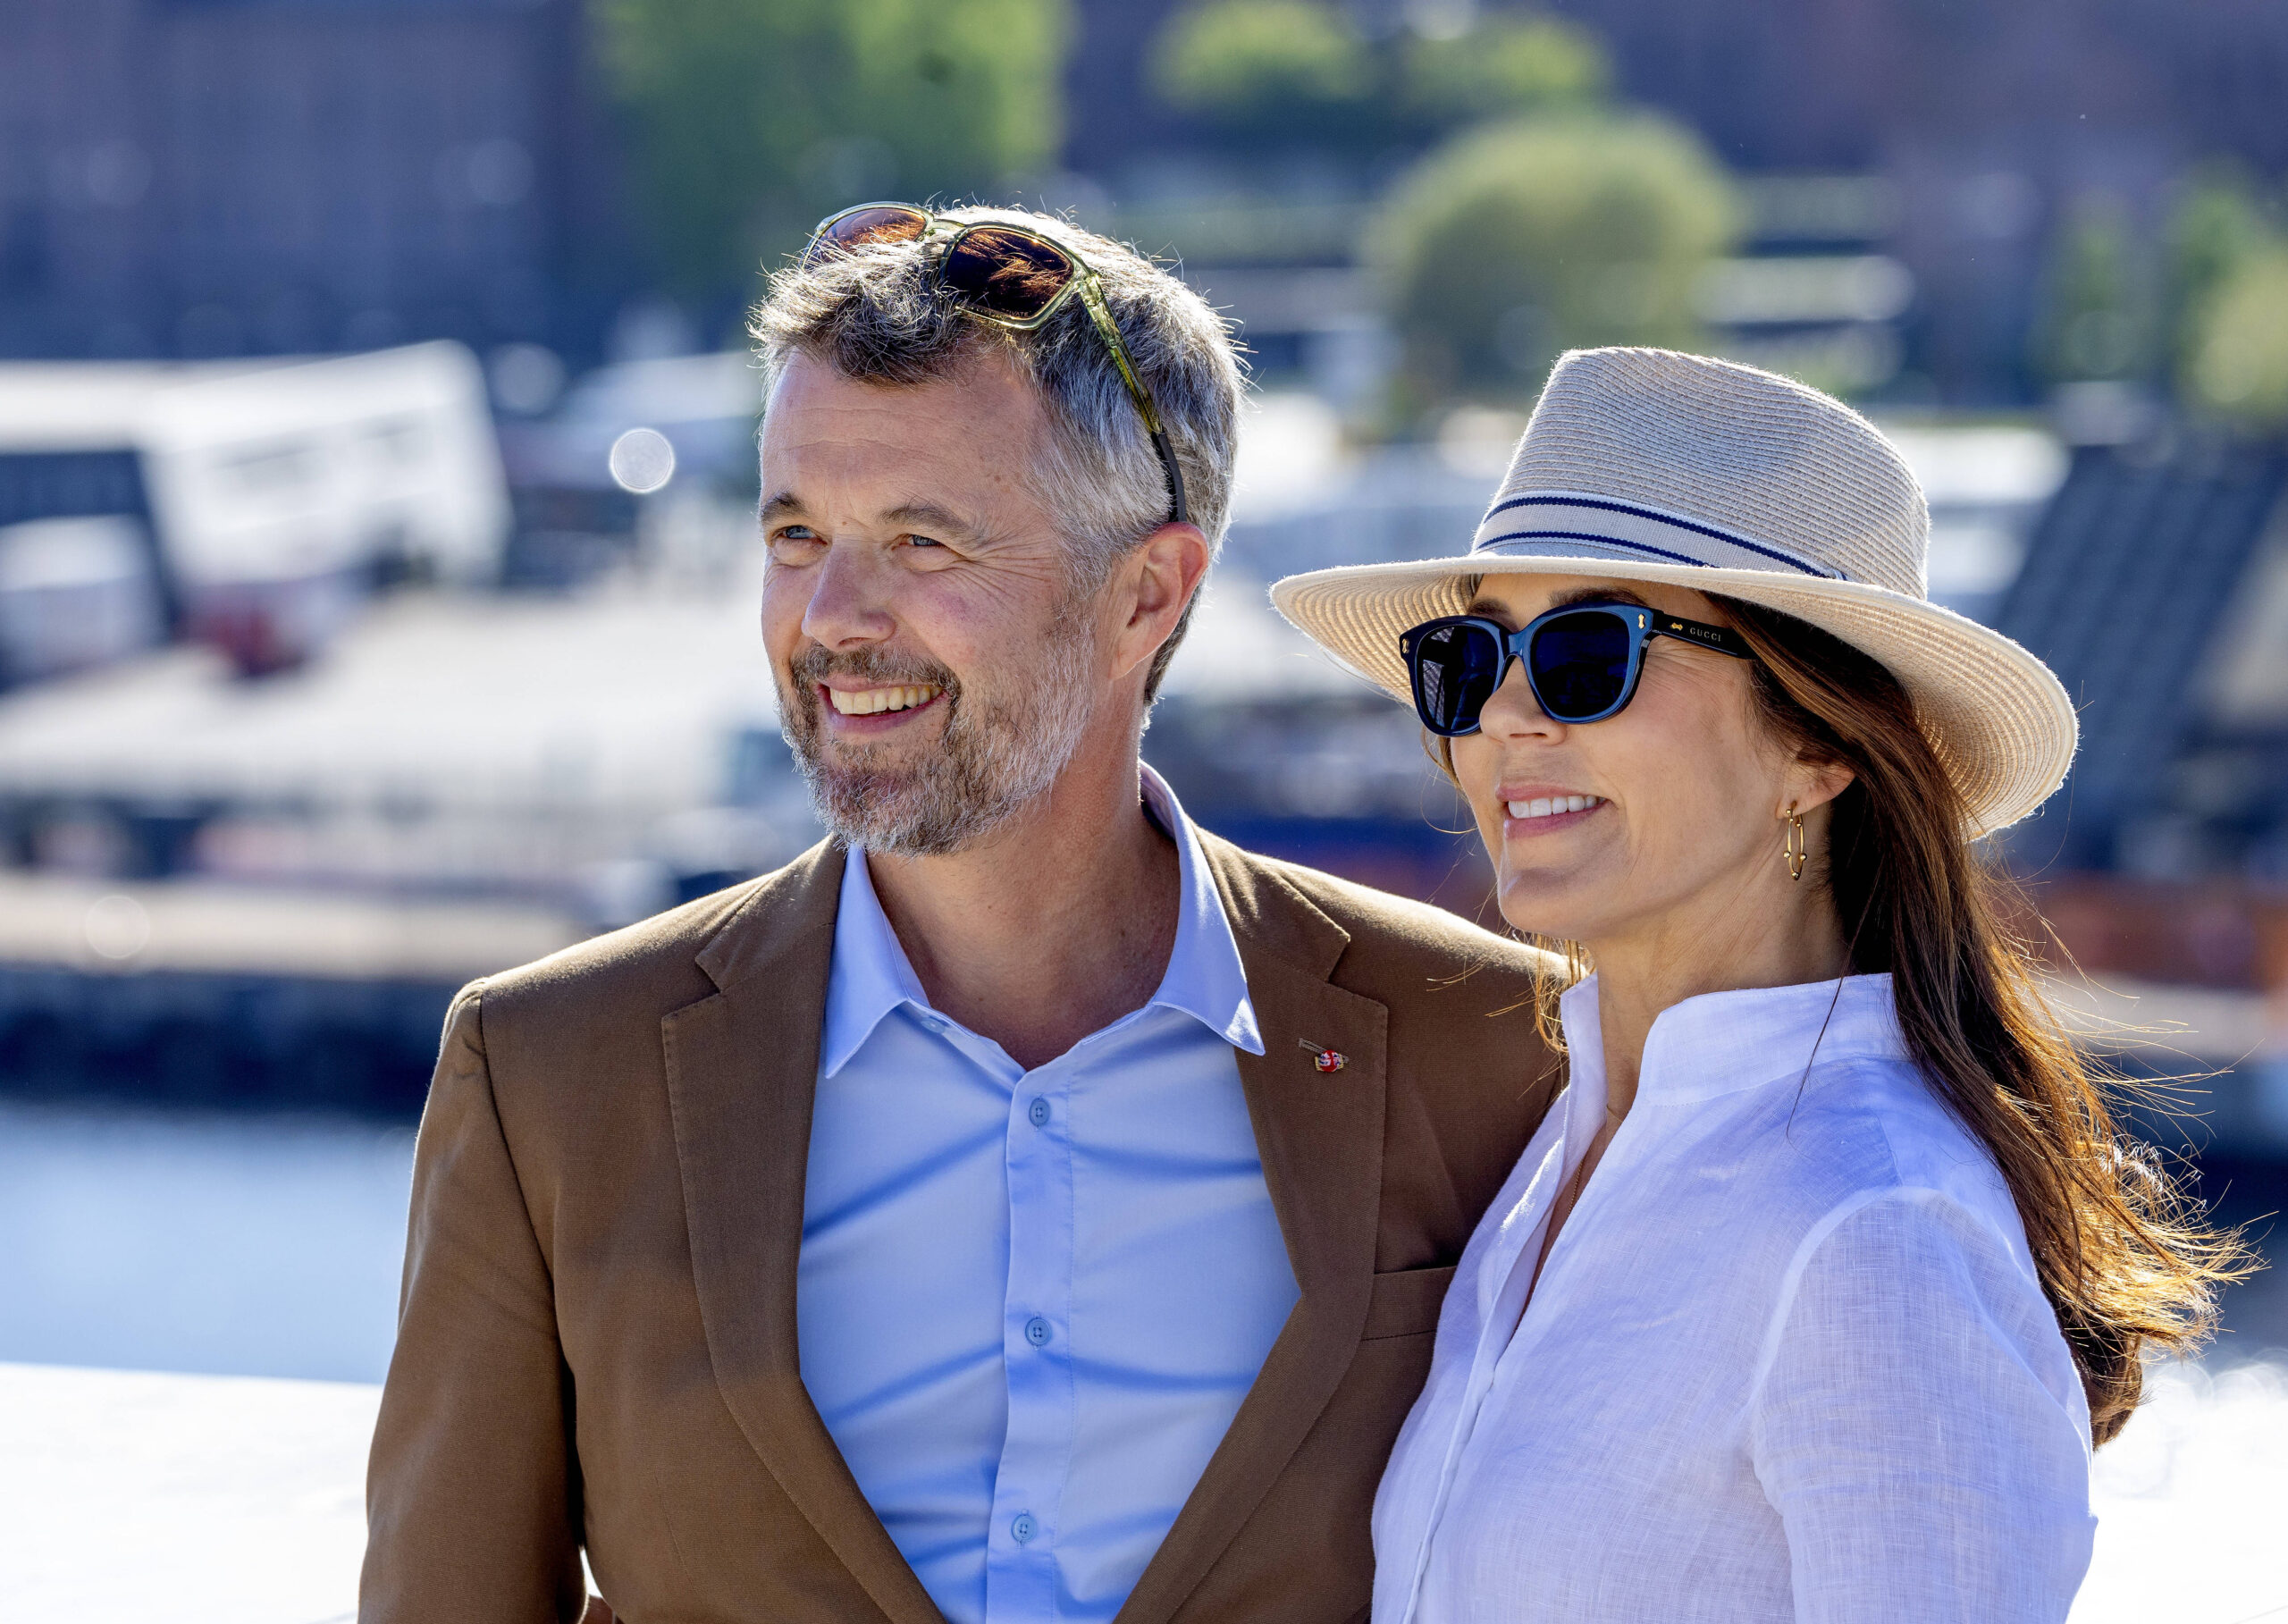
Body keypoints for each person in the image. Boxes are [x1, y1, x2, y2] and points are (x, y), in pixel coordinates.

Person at [359, 205, 1560, 1624]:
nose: (833, 615)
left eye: (923, 541)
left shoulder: (1495, 1044)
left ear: (1148, 595)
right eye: (797, 532)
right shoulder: (552, 1075)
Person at [1272, 347, 2252, 1623]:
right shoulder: (1561, 1163)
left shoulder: (1878, 1231)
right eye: (1469, 657)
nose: (1506, 715)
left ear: (1817, 742)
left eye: (1585, 652)